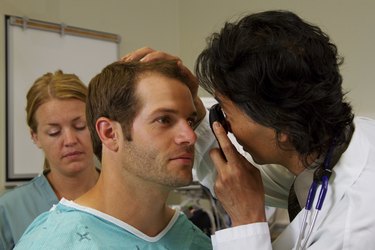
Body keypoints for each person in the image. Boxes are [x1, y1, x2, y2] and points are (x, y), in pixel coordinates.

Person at [122, 10, 375, 249]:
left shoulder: (351, 231)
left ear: (281, 126)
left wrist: (247, 223)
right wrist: (197, 113)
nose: (224, 124)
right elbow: (259, 179)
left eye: (225, 111)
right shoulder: (335, 145)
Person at [14, 61, 212, 249]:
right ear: (109, 133)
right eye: (164, 120)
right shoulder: (55, 242)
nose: (190, 136)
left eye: (190, 121)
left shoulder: (195, 241)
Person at [0, 70, 100, 250]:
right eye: (54, 132)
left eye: (80, 126)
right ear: (35, 137)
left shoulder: (126, 197)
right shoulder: (11, 210)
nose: (70, 140)